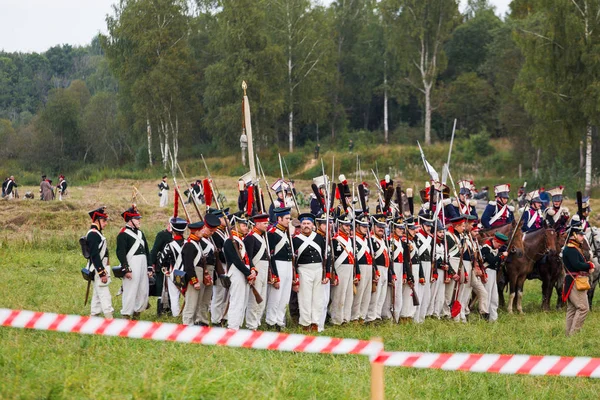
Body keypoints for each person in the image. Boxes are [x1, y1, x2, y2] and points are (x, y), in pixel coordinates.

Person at [181, 214, 221, 326]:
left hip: (200, 274)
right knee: (191, 303)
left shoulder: (196, 243)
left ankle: (196, 323)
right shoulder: (189, 245)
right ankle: (187, 325)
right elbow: (188, 266)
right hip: (194, 276)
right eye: (201, 230)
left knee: (199, 301)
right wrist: (194, 281)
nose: (203, 231)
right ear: (196, 232)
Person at [116, 205, 152, 319]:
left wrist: (149, 267)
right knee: (130, 291)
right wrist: (126, 269)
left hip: (143, 263)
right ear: (130, 220)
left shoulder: (141, 233)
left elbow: (147, 250)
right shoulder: (123, 234)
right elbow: (120, 253)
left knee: (143, 289)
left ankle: (137, 314)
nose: (139, 220)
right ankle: (126, 315)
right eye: (137, 219)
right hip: (132, 264)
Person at [293, 213, 328, 331]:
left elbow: (326, 256)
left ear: (313, 225)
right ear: (300, 225)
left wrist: (326, 274)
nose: (306, 226)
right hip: (303, 270)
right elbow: (294, 261)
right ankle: (305, 323)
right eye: (304, 224)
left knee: (318, 299)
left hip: (318, 269)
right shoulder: (295, 240)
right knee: (304, 298)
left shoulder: (319, 238)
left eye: (308, 223)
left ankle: (315, 323)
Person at [562, 221, 595, 336]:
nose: (582, 236)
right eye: (580, 234)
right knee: (583, 308)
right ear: (574, 235)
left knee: (572, 309)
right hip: (576, 281)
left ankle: (568, 334)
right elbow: (577, 265)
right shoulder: (571, 249)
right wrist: (589, 265)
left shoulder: (573, 248)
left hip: (573, 280)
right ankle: (573, 335)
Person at [224, 212, 255, 330]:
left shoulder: (239, 240)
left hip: (243, 272)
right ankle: (232, 326)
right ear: (235, 226)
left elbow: (246, 259)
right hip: (236, 272)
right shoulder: (230, 241)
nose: (246, 227)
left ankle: (238, 324)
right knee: (237, 301)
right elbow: (236, 261)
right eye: (243, 225)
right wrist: (248, 273)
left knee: (243, 301)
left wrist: (250, 271)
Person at [266, 207, 293, 331]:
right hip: (278, 264)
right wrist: (274, 274)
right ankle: (271, 321)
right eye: (287, 219)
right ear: (279, 219)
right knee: (275, 296)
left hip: (287, 265)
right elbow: (270, 254)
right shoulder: (272, 232)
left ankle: (279, 320)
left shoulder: (285, 232)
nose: (289, 221)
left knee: (284, 296)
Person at [84, 207, 114, 319]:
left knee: (97, 295)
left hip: (99, 268)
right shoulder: (93, 234)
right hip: (98, 269)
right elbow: (95, 255)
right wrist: (102, 273)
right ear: (97, 221)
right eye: (103, 221)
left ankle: (94, 316)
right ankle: (109, 318)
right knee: (104, 294)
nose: (105, 223)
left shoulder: (97, 233)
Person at [156, 217, 188, 317]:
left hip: (175, 274)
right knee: (188, 296)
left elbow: (161, 261)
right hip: (188, 273)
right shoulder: (189, 243)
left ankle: (176, 315)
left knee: (174, 297)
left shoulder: (169, 246)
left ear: (173, 231)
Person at [244, 213, 271, 331]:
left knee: (262, 297)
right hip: (256, 268)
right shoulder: (250, 237)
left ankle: (257, 321)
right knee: (255, 298)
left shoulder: (263, 236)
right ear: (257, 223)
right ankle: (251, 324)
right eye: (265, 223)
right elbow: (248, 257)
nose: (267, 226)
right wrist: (251, 270)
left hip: (264, 268)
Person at [329, 213, 355, 325]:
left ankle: (345, 318)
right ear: (339, 225)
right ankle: (336, 319)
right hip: (340, 268)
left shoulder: (350, 240)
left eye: (349, 225)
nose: (348, 227)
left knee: (348, 295)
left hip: (349, 268)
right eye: (345, 225)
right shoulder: (335, 240)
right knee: (338, 295)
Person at [366, 214, 390, 323]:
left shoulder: (383, 241)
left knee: (382, 296)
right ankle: (371, 317)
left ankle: (377, 315)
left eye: (382, 227)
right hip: (377, 269)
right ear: (373, 227)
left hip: (385, 268)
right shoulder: (371, 240)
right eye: (378, 226)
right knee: (375, 295)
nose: (381, 229)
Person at [209, 207, 231, 327]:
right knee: (219, 294)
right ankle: (216, 319)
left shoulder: (225, 232)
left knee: (226, 294)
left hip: (227, 266)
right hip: (220, 266)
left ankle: (223, 316)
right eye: (224, 217)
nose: (226, 219)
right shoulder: (215, 235)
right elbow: (219, 253)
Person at [481, 232, 509, 322]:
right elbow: (491, 260)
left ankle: (493, 317)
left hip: (493, 273)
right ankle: (486, 315)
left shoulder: (495, 249)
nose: (499, 247)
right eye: (499, 244)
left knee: (494, 296)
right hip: (487, 272)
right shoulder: (486, 248)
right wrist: (501, 256)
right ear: (495, 241)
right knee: (487, 295)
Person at [351, 213, 373, 323]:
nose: (366, 228)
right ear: (357, 226)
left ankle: (362, 317)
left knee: (366, 294)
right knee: (358, 294)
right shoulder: (353, 239)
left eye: (367, 226)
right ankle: (354, 316)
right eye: (363, 226)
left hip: (369, 268)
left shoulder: (367, 240)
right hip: (361, 267)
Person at [414, 213, 434, 323]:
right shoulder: (417, 236)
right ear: (421, 225)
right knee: (419, 291)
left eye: (430, 226)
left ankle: (421, 318)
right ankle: (415, 318)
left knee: (426, 293)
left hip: (428, 265)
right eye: (427, 225)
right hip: (419, 264)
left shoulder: (431, 238)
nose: (429, 228)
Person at [316, 214, 334, 332]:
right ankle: (317, 324)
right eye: (324, 224)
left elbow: (330, 258)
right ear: (319, 225)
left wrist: (329, 274)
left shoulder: (328, 238)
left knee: (325, 300)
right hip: (318, 272)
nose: (328, 226)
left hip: (326, 273)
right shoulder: (317, 238)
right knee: (319, 300)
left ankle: (321, 324)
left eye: (329, 223)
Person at [149, 219, 175, 305]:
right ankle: (161, 309)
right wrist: (151, 264)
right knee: (161, 287)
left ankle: (171, 308)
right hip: (162, 264)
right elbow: (155, 250)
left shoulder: (177, 236)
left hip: (173, 265)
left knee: (172, 288)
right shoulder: (162, 235)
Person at [399, 217, 419, 323]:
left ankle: (410, 315)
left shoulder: (412, 241)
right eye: (411, 229)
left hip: (415, 269)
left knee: (411, 294)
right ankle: (404, 316)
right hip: (409, 269)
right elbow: (405, 260)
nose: (414, 231)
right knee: (406, 294)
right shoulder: (404, 242)